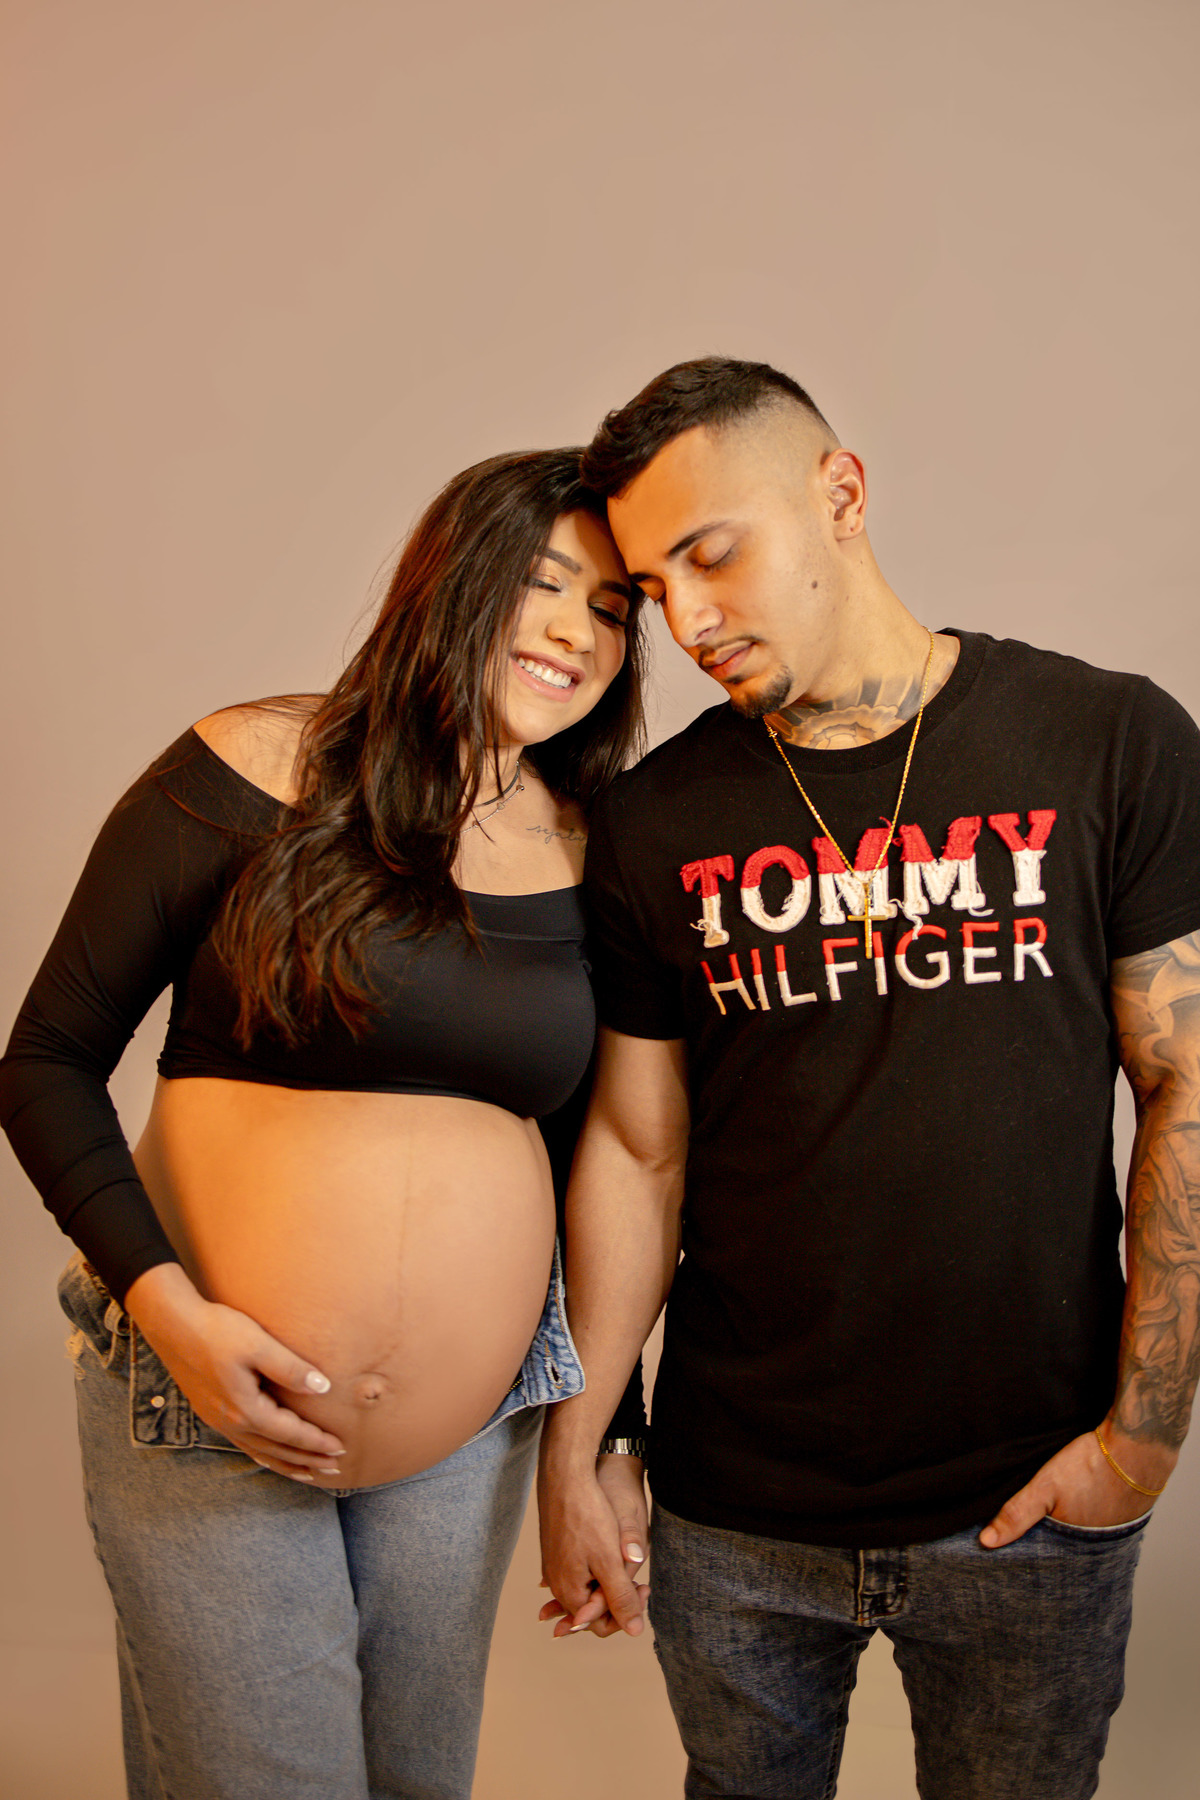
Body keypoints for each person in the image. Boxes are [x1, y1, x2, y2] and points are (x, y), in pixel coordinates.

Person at [536, 358, 1200, 1799]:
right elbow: (639, 1154)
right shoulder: (655, 821)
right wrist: (580, 1446)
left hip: (1031, 1501)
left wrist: (1145, 1437)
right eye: (653, 587)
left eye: (714, 553)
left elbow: (1186, 1088)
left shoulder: (1108, 741)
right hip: (736, 1516)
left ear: (840, 493)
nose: (687, 621)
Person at [0, 446, 646, 1800]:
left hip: (465, 1446)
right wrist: (175, 1319)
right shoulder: (250, 766)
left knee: (418, 1784)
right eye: (539, 583)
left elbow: (602, 1169)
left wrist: (606, 1440)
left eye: (609, 608)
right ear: (449, 581)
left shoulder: (594, 853)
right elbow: (46, 1061)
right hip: (207, 1393)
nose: (574, 632)